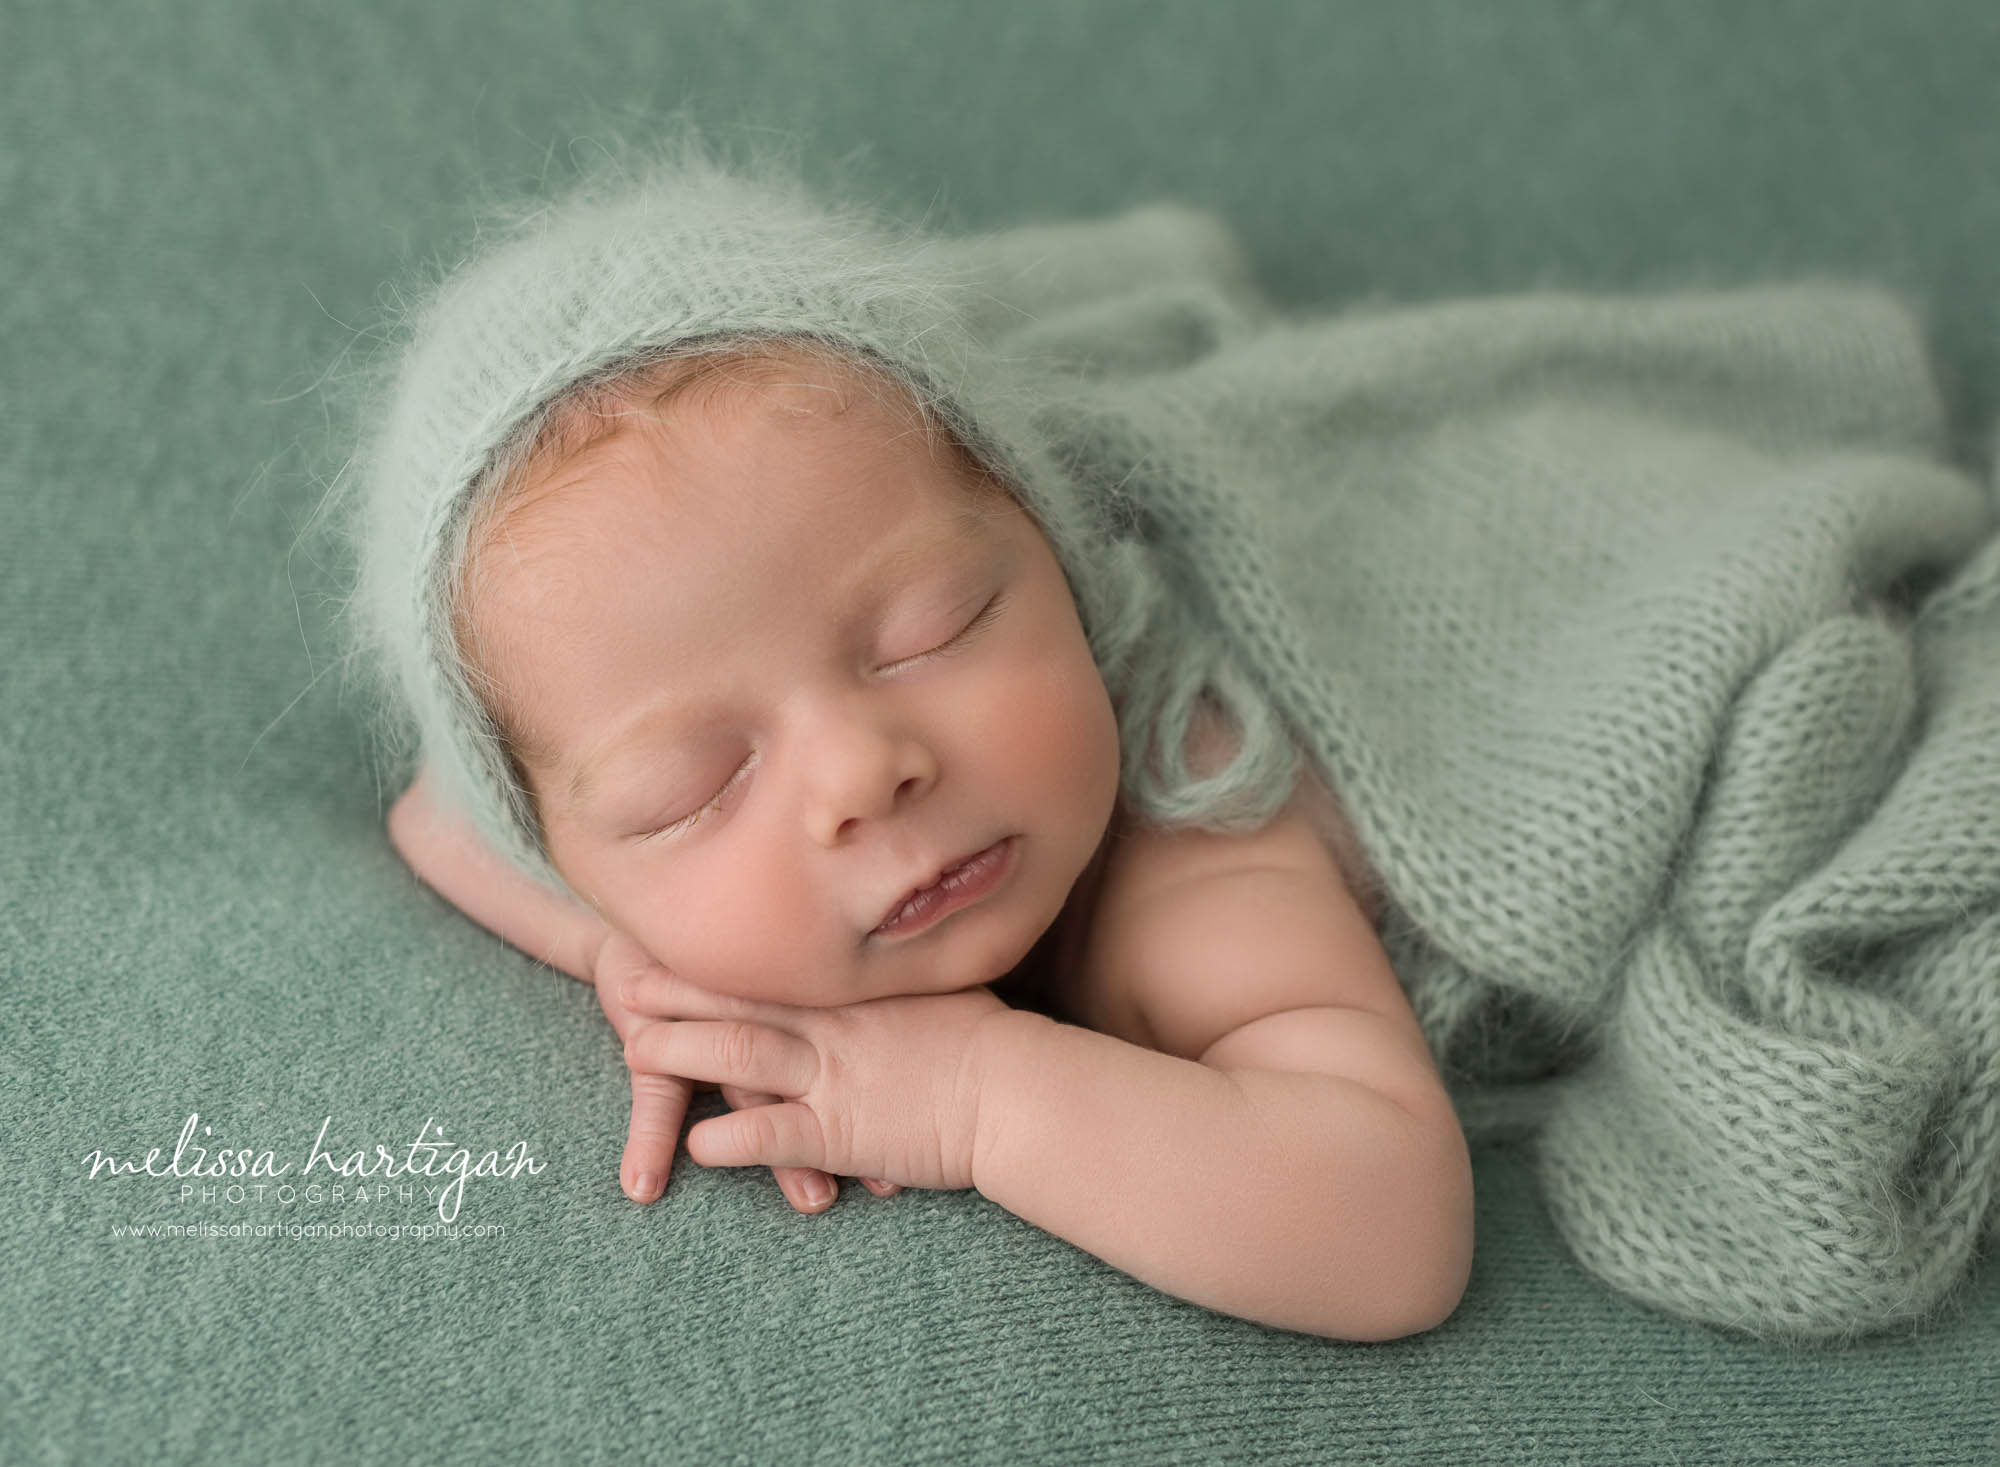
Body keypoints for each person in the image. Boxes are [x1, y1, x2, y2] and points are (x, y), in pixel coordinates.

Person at [352, 149, 1472, 1343]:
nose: (862, 771)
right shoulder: (559, 815)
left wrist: (974, 1096)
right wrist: (631, 957)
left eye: (931, 632)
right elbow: (441, 814)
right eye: (690, 791)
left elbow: (1386, 1236)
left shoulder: (1193, 810)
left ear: (1054, 549)